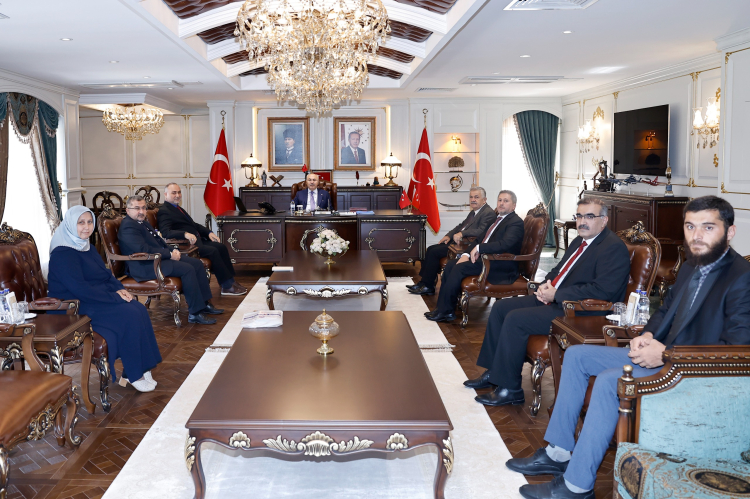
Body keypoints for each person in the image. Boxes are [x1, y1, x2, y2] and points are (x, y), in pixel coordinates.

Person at [506, 196, 750, 499]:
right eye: (690, 226)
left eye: (708, 227)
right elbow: (665, 310)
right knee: (577, 355)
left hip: (691, 373)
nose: (696, 235)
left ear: (730, 232)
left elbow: (736, 354)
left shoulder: (741, 277)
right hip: (663, 356)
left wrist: (664, 355)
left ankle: (577, 486)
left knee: (612, 380)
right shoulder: (691, 266)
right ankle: (558, 453)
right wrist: (647, 334)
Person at [465, 197, 631, 406]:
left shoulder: (612, 248)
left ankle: (510, 389)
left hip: (581, 311)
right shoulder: (580, 240)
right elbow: (559, 270)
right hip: (558, 299)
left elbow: (603, 291)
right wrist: (546, 285)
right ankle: (494, 373)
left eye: (589, 216)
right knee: (500, 308)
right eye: (579, 216)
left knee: (515, 319)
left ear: (604, 220)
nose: (582, 222)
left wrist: (557, 295)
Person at [47, 206, 161, 392]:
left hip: (93, 297)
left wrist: (120, 289)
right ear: (70, 225)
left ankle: (141, 367)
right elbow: (80, 289)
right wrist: (114, 297)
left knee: (138, 308)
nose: (86, 227)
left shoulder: (87, 247)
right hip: (73, 306)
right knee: (129, 314)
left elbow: (106, 275)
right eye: (81, 223)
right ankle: (135, 374)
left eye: (89, 222)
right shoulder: (62, 253)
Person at [118, 195, 223, 325]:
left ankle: (204, 303)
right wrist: (168, 254)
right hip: (144, 265)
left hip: (156, 260)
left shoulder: (142, 222)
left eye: (143, 208)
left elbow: (158, 243)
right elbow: (143, 249)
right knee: (187, 269)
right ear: (128, 210)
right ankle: (195, 313)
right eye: (137, 208)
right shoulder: (128, 226)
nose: (141, 211)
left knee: (197, 263)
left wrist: (172, 250)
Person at [426, 190, 524, 322]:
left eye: (506, 201)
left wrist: (479, 248)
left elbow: (505, 244)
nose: (501, 203)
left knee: (459, 268)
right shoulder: (496, 219)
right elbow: (478, 239)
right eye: (500, 200)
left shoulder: (515, 222)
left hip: (499, 264)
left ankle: (446, 311)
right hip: (486, 259)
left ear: (514, 205)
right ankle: (443, 309)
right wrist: (466, 254)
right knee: (451, 264)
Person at [157, 183, 247, 296]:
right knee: (213, 251)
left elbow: (193, 225)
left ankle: (230, 281)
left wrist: (209, 232)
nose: (177, 195)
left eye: (179, 192)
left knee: (221, 247)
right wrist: (184, 234)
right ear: (165, 194)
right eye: (174, 193)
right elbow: (166, 232)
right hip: (186, 246)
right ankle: (227, 286)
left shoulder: (177, 208)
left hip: (197, 241)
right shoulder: (164, 211)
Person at [409, 187, 497, 296]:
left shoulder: (488, 213)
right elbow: (461, 226)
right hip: (458, 242)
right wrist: (448, 235)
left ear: (484, 200)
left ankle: (428, 286)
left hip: (466, 245)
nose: (473, 200)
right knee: (431, 248)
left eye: (476, 197)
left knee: (434, 252)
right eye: (471, 197)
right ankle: (424, 282)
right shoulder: (474, 212)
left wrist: (462, 234)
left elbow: (481, 231)